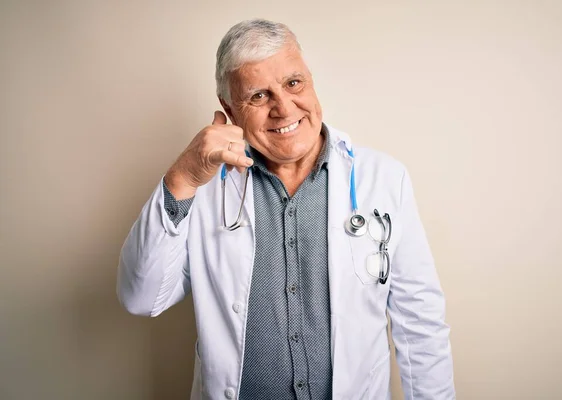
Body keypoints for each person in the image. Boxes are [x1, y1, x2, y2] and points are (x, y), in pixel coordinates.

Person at [117, 18, 455, 400]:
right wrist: (183, 178)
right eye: (258, 96)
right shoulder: (205, 186)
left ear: (310, 80)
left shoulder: (384, 178)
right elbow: (141, 298)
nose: (283, 108)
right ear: (229, 107)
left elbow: (420, 325)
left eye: (294, 83)